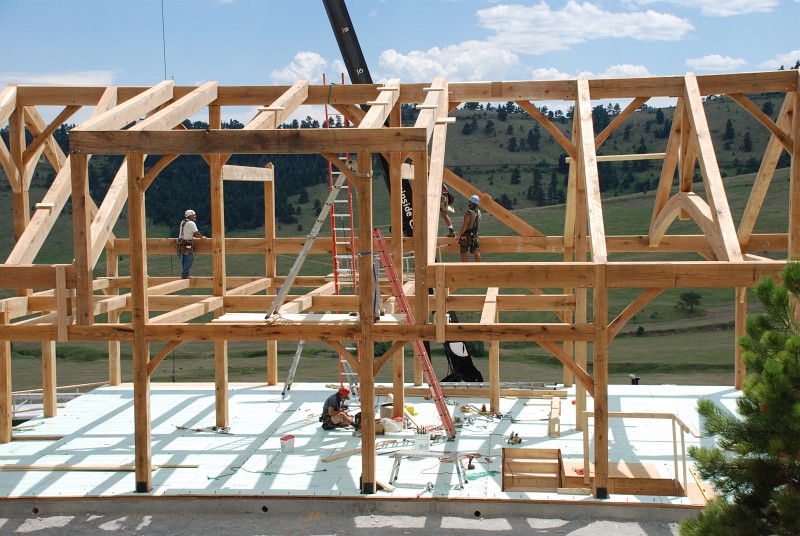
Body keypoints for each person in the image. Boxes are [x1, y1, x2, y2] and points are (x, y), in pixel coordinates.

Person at [177, 209, 207, 278]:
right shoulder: (191, 223)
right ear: (189, 216)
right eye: (193, 215)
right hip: (187, 243)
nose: (195, 216)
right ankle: (185, 274)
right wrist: (202, 238)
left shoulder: (183, 222)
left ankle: (184, 273)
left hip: (181, 242)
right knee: (189, 258)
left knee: (185, 258)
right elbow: (196, 233)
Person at [457, 194, 481, 262]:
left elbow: (465, 225)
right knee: (476, 251)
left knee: (463, 252)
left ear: (471, 203)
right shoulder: (479, 212)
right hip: (475, 235)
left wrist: (459, 236)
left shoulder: (469, 213)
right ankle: (479, 268)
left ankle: (466, 268)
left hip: (467, 235)